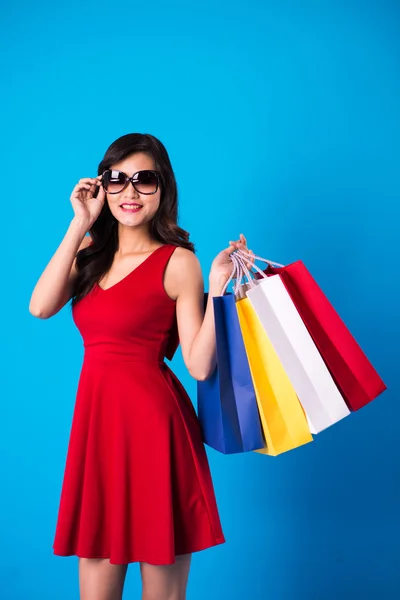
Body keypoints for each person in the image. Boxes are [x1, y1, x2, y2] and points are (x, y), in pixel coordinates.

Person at [29, 132, 253, 600]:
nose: (130, 192)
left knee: (163, 593)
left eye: (144, 180)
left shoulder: (178, 262)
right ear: (102, 186)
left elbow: (197, 363)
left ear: (163, 188)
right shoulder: (89, 255)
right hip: (98, 430)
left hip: (156, 431)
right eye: (118, 180)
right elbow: (40, 306)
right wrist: (78, 225)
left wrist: (217, 288)